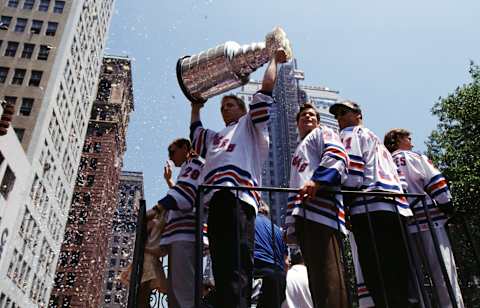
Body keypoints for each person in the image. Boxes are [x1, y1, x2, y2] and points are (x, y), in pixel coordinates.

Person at [190, 50, 287, 308]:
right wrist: (195, 106)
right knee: (222, 268)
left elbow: (266, 89)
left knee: (238, 265)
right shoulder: (215, 136)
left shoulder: (250, 126)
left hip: (239, 199)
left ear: (243, 109)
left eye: (230, 104)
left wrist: (274, 60)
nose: (224, 109)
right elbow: (196, 134)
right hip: (215, 201)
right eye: (222, 107)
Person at [329, 100, 413, 308]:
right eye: (337, 114)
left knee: (376, 272)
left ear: (358, 115)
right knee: (400, 270)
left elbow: (354, 173)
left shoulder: (350, 134)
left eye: (344, 112)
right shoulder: (377, 141)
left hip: (369, 208)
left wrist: (344, 206)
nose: (339, 117)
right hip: (397, 207)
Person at [384, 128, 464, 308]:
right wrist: (448, 207)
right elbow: (436, 181)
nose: (411, 140)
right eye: (407, 137)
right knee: (443, 272)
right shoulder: (414, 157)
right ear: (397, 140)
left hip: (405, 226)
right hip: (430, 222)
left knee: (414, 276)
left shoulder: (385, 161)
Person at [286, 102, 349, 308]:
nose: (308, 117)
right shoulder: (299, 149)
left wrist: (318, 181)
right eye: (303, 115)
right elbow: (295, 184)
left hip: (322, 211)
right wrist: (290, 224)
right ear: (297, 123)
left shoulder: (322, 132)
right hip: (304, 214)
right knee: (316, 280)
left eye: (312, 115)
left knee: (329, 275)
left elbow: (338, 155)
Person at [148, 138, 204, 308]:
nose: (170, 157)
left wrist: (154, 211)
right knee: (177, 291)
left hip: (184, 235)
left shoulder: (195, 162)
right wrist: (170, 182)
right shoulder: (190, 166)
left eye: (172, 152)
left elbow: (185, 195)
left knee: (183, 293)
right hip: (182, 234)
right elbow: (184, 192)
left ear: (185, 147)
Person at [253, 201, 288, 308]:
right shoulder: (277, 230)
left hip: (257, 274)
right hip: (278, 278)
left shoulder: (250, 222)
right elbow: (286, 262)